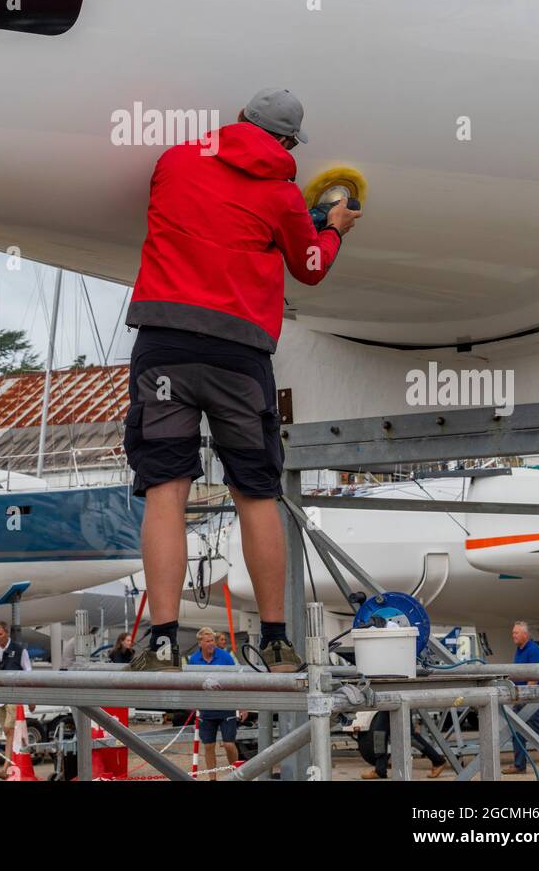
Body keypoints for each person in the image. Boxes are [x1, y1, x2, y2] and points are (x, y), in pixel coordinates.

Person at [124, 88, 360, 672]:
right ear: (285, 143)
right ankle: (278, 640)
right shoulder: (282, 197)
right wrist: (330, 229)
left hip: (165, 345)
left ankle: (160, 642)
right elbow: (309, 269)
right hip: (238, 355)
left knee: (165, 491)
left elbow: (208, 208)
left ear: (239, 122)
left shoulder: (174, 162)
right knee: (254, 492)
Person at [188, 627, 246, 781]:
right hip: (206, 709)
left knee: (228, 744)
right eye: (207, 641)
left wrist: (242, 705)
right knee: (208, 746)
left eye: (212, 640)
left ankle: (235, 775)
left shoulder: (225, 657)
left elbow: (237, 681)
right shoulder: (193, 660)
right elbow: (190, 684)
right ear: (200, 643)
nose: (211, 644)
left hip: (226, 707)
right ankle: (212, 778)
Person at [502, 620, 539, 775]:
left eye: (516, 633)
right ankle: (519, 765)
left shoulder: (533, 650)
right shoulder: (519, 649)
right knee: (517, 731)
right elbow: (518, 672)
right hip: (521, 697)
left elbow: (534, 677)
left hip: (531, 699)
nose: (513, 635)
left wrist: (525, 698)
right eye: (513, 632)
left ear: (525, 634)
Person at [0, 621, 32, 779]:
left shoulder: (20, 650)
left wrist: (31, 699)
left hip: (15, 694)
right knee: (8, 732)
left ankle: (6, 766)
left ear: (7, 633)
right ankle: (12, 764)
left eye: (0, 634)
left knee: (9, 729)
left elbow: (29, 673)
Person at [360, 711, 445, 780]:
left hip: (400, 696)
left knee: (410, 736)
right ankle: (380, 770)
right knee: (379, 734)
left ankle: (438, 761)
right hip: (387, 698)